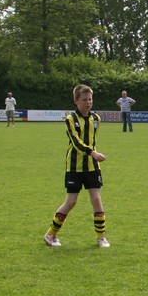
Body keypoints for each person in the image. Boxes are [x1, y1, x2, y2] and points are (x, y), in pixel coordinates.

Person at [43, 84, 109, 248]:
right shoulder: (70, 119)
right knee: (71, 201)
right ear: (76, 101)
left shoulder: (96, 119)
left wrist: (93, 155)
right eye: (84, 100)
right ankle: (50, 234)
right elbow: (77, 143)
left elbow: (92, 140)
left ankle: (101, 237)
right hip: (74, 167)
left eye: (90, 99)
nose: (88, 103)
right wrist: (93, 153)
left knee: (96, 199)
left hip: (92, 166)